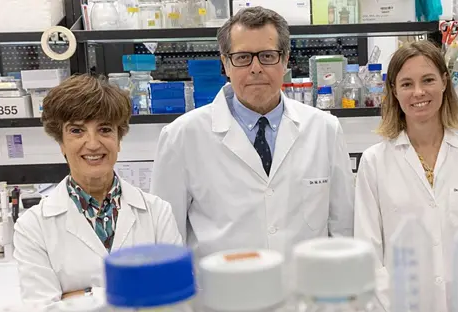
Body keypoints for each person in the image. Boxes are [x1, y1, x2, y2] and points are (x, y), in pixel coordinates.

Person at [151, 7, 354, 260]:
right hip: (222, 296)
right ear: (225, 63)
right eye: (243, 57)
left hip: (306, 294)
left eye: (268, 56)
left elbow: (344, 230)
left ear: (285, 60)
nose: (256, 68)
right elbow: (166, 240)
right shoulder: (181, 137)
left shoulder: (324, 130)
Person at [354, 40, 458, 312]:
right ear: (394, 92)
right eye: (407, 84)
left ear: (444, 83)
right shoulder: (374, 162)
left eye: (428, 80)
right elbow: (368, 256)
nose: (418, 92)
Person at [14, 74, 182, 304]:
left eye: (104, 129)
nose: (93, 144)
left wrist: (81, 296)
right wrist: (135, 292)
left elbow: (175, 295)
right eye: (77, 131)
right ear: (61, 143)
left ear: (119, 139)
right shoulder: (32, 227)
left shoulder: (157, 213)